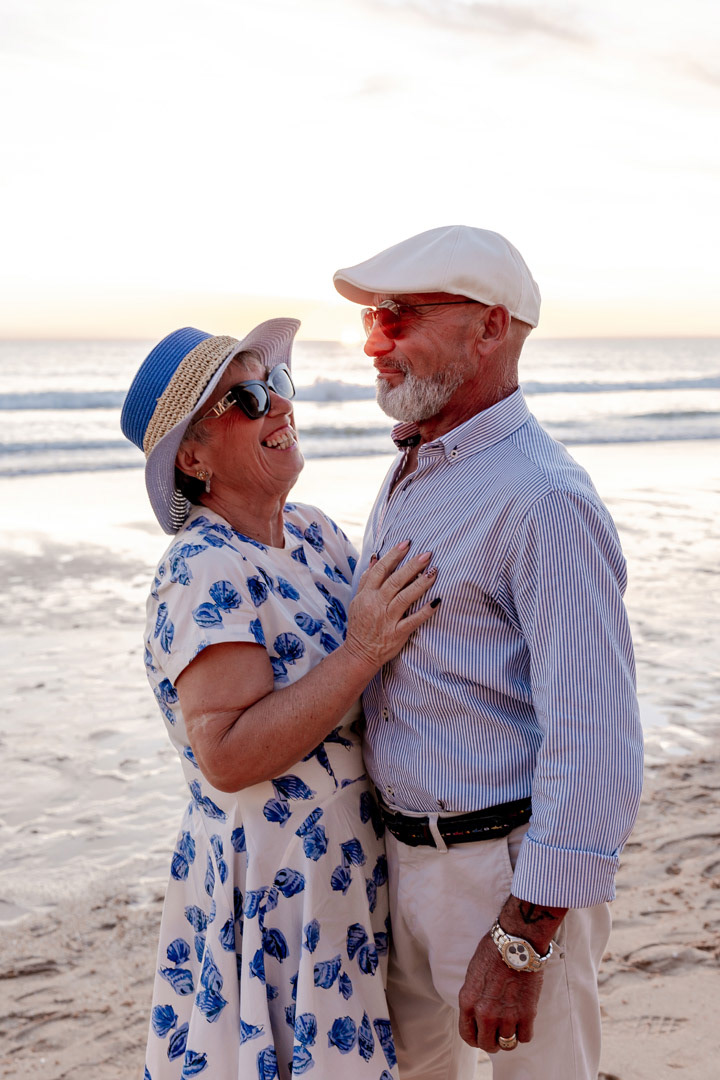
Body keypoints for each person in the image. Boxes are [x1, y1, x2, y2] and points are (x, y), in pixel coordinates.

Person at [332, 226, 644, 1080]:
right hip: (405, 869)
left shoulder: (543, 500)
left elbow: (598, 744)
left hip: (503, 879)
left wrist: (523, 939)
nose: (374, 342)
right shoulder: (418, 468)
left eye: (400, 317)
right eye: (371, 321)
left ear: (490, 328)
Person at [120, 320, 440, 1080]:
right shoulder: (204, 567)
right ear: (192, 458)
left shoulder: (316, 534)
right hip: (274, 896)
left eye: (280, 386)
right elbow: (227, 756)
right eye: (247, 398)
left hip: (348, 877)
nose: (278, 408)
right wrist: (360, 651)